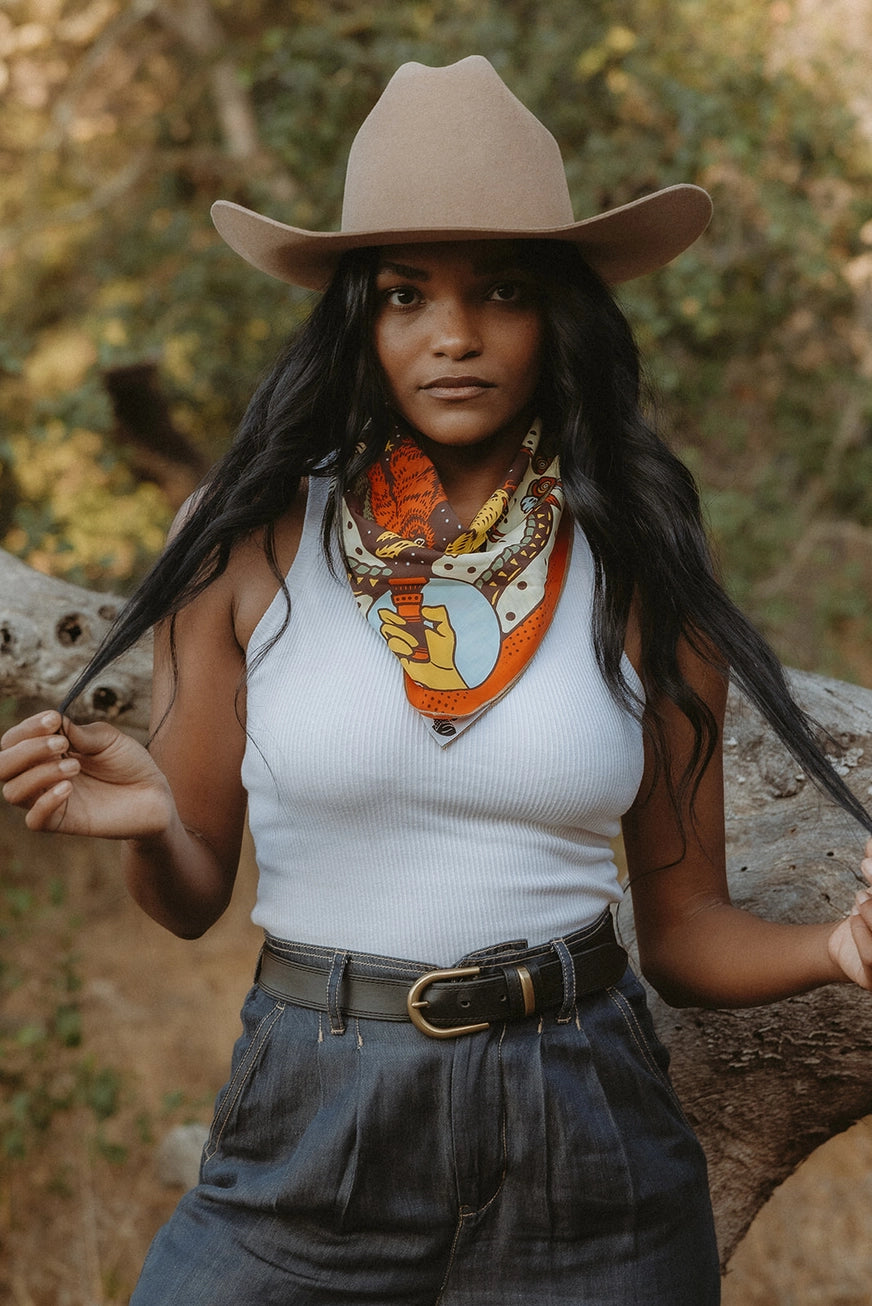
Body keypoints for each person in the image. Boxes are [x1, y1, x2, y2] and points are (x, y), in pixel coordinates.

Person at [2, 55, 871, 1306]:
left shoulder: (634, 562)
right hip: (311, 1105)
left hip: (587, 1125)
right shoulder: (247, 536)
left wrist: (836, 947)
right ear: (359, 317)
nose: (452, 335)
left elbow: (681, 938)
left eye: (501, 291)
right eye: (405, 294)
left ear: (555, 315)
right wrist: (148, 820)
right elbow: (189, 894)